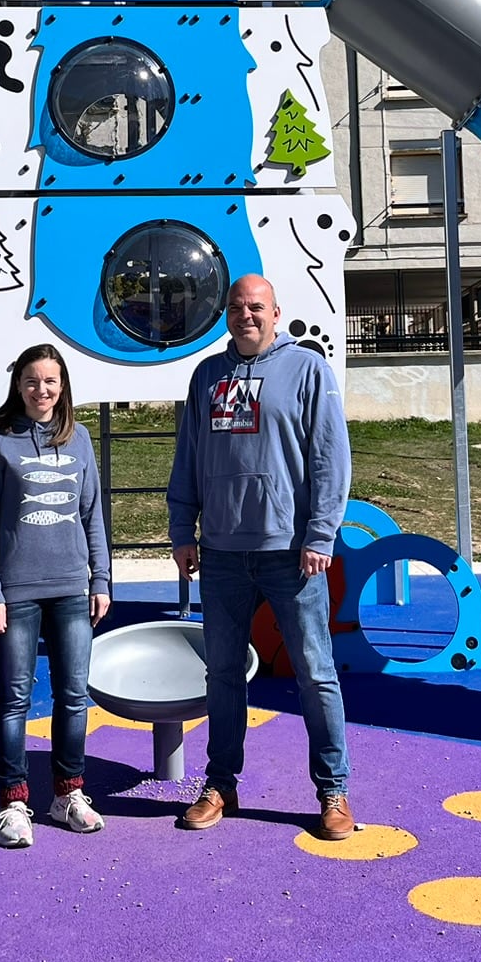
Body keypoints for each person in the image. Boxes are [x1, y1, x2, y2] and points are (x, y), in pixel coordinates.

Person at [167, 274, 353, 839]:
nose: (246, 315)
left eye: (257, 307)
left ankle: (333, 790)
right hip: (222, 555)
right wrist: (182, 529)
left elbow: (330, 458)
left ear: (276, 313)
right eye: (237, 306)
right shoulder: (206, 377)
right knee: (222, 675)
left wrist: (321, 536)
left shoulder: (307, 370)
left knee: (316, 676)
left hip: (290, 556)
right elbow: (188, 458)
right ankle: (221, 784)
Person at [0, 343, 111, 849]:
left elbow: (93, 513)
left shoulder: (80, 440)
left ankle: (68, 795)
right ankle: (13, 802)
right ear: (19, 386)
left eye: (50, 381)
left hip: (73, 588)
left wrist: (101, 579)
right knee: (14, 699)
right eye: (32, 381)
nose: (41, 390)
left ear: (63, 386)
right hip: (16, 594)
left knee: (74, 698)